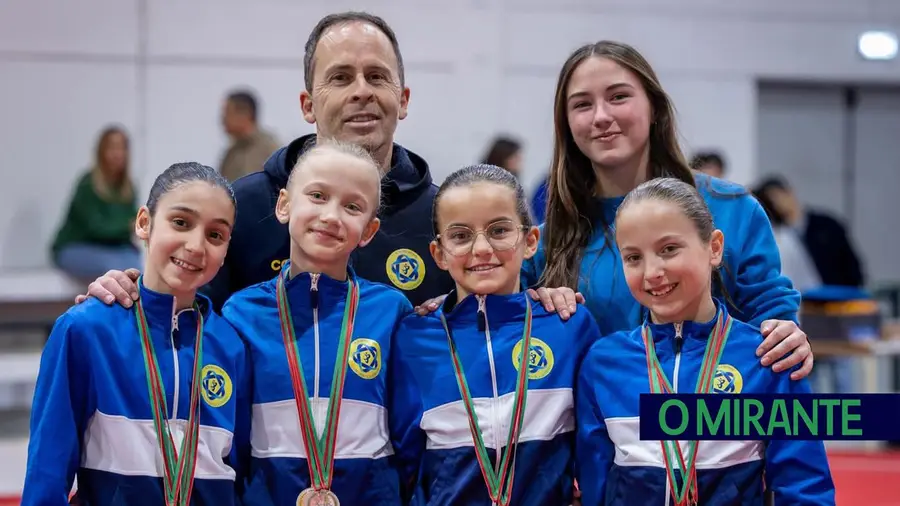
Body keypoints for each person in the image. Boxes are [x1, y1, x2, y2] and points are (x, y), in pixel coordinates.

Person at [75, 11, 578, 317]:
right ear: (307, 105)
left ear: (402, 98)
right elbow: (184, 315)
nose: (362, 91)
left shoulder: (445, 217)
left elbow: (498, 314)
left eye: (377, 77)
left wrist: (545, 300)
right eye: (340, 77)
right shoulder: (244, 205)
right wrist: (125, 292)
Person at [521, 40, 813, 377]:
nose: (601, 116)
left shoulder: (732, 210)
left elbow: (772, 318)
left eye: (618, 96)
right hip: (602, 426)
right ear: (567, 123)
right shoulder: (546, 243)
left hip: (710, 421)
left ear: (655, 107)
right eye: (582, 105)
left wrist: (787, 335)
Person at [575, 177, 835, 505]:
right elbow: (594, 485)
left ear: (713, 248)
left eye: (668, 249)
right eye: (633, 257)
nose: (652, 271)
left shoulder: (767, 358)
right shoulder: (603, 363)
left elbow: (804, 489)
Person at [23, 163, 251, 505]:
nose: (195, 245)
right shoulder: (85, 331)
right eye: (181, 222)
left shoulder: (230, 345)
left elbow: (239, 474)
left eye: (215, 235)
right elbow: (47, 471)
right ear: (144, 223)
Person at [392, 164, 601, 505]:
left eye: (499, 230)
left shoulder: (568, 326)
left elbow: (597, 443)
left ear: (530, 240)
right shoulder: (413, 338)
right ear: (439, 253)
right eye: (460, 236)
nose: (482, 248)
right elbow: (403, 459)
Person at [221, 140, 414, 505]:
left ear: (369, 231)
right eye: (318, 196)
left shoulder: (391, 312)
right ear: (284, 205)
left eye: (352, 206)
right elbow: (231, 441)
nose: (331, 215)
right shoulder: (241, 314)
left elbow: (410, 437)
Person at [51, 125, 142, 282]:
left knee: (136, 266)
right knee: (115, 267)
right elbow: (97, 228)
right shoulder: (88, 184)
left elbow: (128, 231)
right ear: (101, 152)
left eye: (122, 148)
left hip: (111, 249)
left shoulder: (128, 188)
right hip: (76, 248)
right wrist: (129, 226)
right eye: (112, 148)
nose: (118, 154)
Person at [219, 89, 280, 183]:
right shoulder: (230, 154)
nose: (223, 119)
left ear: (245, 114)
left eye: (227, 113)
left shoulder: (271, 151)